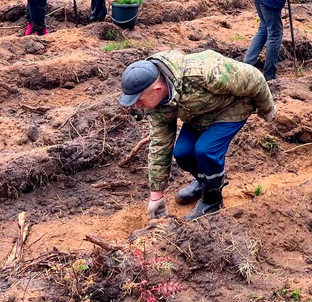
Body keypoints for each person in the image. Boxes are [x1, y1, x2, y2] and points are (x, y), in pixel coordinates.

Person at [118, 50, 276, 220]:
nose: (138, 106)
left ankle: (212, 201)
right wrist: (156, 194)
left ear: (157, 89)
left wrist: (267, 110)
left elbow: (254, 78)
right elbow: (160, 144)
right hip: (199, 114)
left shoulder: (202, 73)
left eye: (139, 100)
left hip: (232, 107)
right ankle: (205, 183)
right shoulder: (155, 106)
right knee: (182, 153)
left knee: (205, 150)